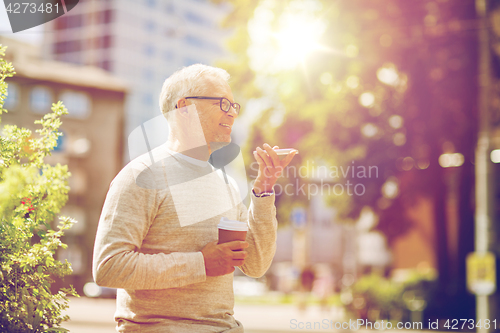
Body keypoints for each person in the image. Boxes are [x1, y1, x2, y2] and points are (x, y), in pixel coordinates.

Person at [92, 64, 297, 332]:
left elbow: (255, 264)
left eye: (234, 106)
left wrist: (263, 192)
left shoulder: (226, 184)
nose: (232, 114)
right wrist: (200, 263)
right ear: (184, 107)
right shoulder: (140, 175)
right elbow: (108, 266)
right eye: (223, 104)